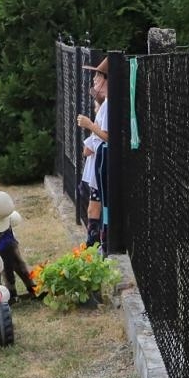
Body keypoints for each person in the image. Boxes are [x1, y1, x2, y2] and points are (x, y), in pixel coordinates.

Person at [77, 62, 109, 246]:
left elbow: (107, 136)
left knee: (95, 208)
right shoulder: (104, 105)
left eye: (98, 76)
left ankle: (95, 246)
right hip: (98, 164)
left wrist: (89, 124)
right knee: (93, 207)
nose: (94, 80)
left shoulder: (108, 106)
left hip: (101, 163)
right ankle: (95, 245)